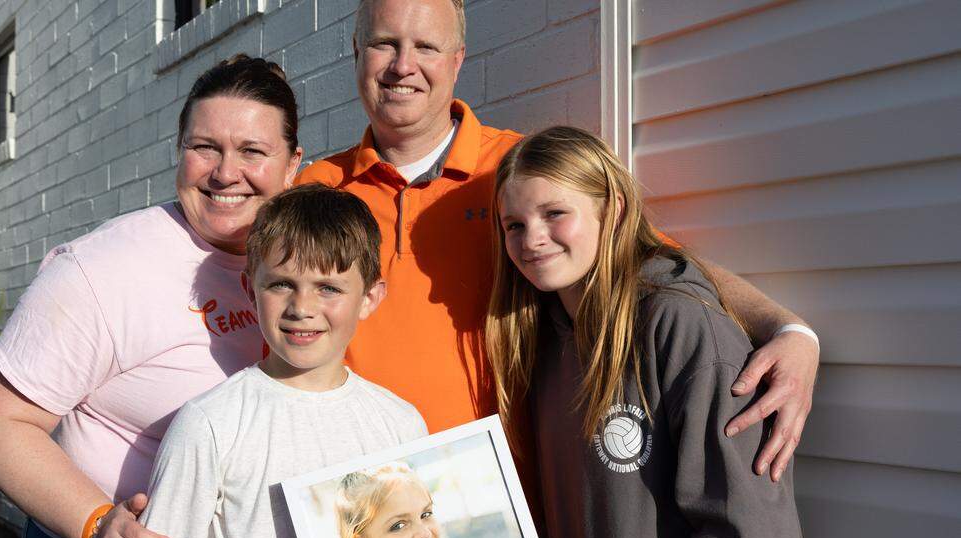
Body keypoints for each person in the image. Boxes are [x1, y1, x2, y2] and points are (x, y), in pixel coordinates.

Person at [294, 0, 819, 478]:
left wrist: (789, 331)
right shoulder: (315, 190)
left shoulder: (518, 174)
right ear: (357, 53)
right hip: (362, 495)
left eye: (425, 46)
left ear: (457, 60)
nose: (402, 65)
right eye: (385, 43)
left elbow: (647, 258)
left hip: (506, 502)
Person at [0, 55, 304, 538]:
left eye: (253, 151)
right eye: (205, 147)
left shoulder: (292, 261)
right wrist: (98, 528)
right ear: (178, 150)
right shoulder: (102, 270)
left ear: (293, 165)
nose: (227, 173)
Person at [485, 126, 813, 538]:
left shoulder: (681, 325)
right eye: (513, 224)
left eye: (554, 214)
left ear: (612, 208)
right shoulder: (542, 343)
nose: (532, 239)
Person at [116, 184, 427, 538]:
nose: (303, 308)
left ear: (370, 298)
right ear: (250, 287)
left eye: (329, 288)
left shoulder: (401, 422)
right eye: (282, 284)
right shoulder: (212, 422)